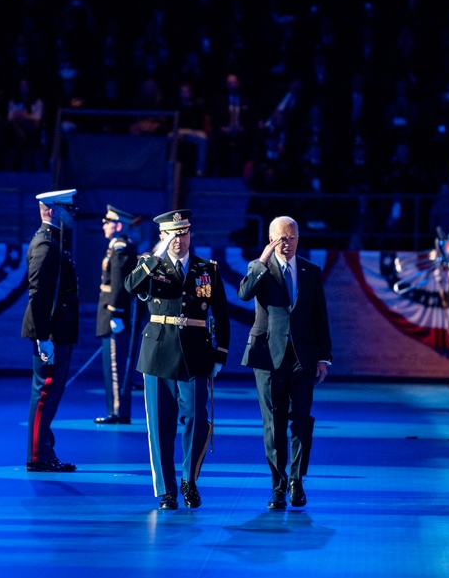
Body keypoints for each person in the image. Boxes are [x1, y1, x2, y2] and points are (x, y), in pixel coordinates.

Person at [123, 209, 229, 510]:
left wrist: (220, 354)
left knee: (196, 419)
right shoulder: (149, 265)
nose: (178, 239)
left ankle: (188, 480)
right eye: (172, 234)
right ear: (162, 237)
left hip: (195, 351)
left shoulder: (206, 269)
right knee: (160, 425)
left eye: (183, 233)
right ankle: (167, 490)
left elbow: (221, 314)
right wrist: (156, 256)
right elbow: (131, 287)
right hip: (157, 351)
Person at [237, 216, 333, 509]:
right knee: (273, 422)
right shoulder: (261, 269)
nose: (286, 244)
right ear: (271, 240)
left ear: (298, 239)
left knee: (301, 420)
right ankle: (277, 485)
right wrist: (262, 261)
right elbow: (243, 293)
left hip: (301, 356)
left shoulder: (311, 271)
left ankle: (296, 481)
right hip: (267, 355)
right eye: (280, 238)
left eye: (291, 238)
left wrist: (323, 357)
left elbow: (320, 316)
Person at [21, 189, 79, 472]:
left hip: (58, 331)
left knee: (51, 395)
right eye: (68, 209)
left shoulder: (54, 241)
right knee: (44, 394)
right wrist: (43, 337)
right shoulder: (46, 245)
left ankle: (45, 450)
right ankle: (37, 456)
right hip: (52, 333)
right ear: (54, 211)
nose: (72, 214)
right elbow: (39, 295)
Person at [94, 205, 138, 425]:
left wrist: (117, 314)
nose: (104, 225)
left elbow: (120, 284)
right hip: (113, 313)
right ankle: (117, 410)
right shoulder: (117, 247)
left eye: (108, 222)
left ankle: (117, 412)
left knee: (114, 366)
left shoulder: (120, 248)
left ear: (118, 225)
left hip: (115, 315)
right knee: (114, 365)